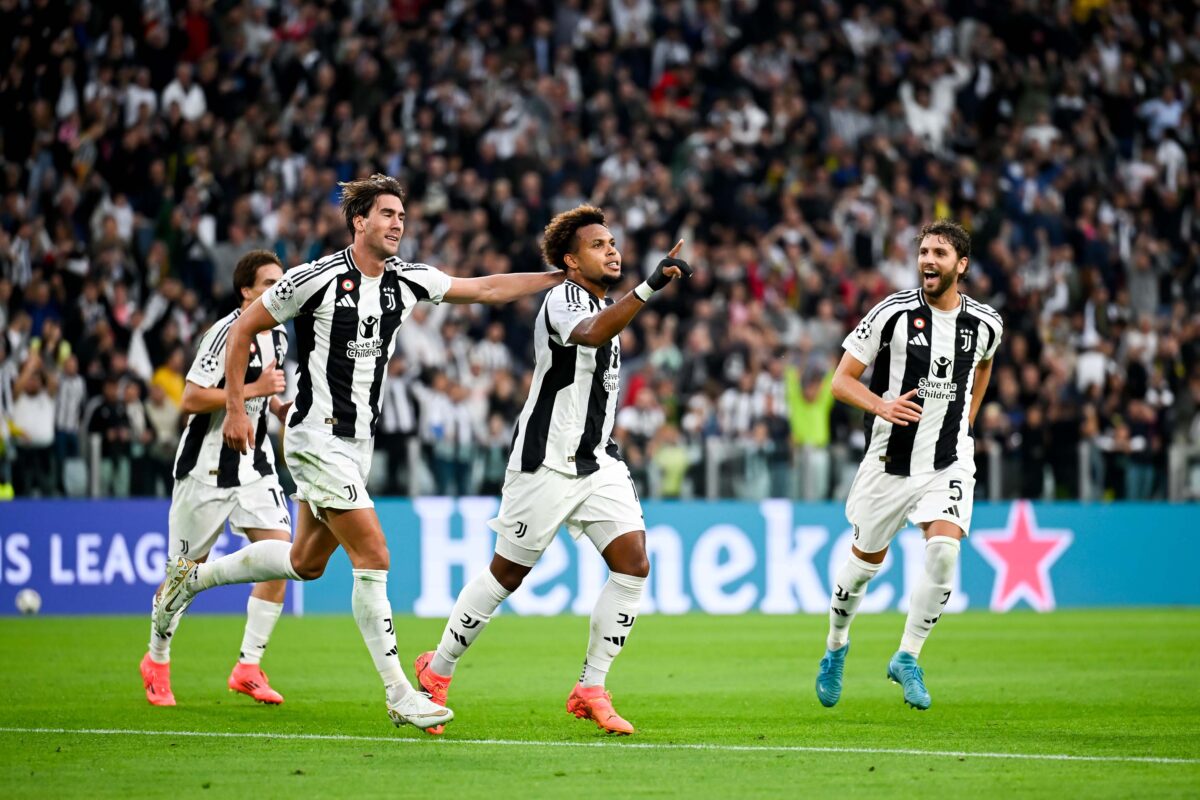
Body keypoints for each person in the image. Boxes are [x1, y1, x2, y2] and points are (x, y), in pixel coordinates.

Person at [152, 174, 566, 731]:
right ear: (359, 221)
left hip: (357, 444)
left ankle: (192, 579)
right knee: (373, 554)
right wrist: (232, 405)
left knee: (305, 563)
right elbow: (245, 326)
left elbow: (485, 288)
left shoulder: (406, 280)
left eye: (402, 215)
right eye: (388, 214)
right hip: (315, 437)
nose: (399, 223)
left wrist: (554, 276)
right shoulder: (315, 279)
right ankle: (400, 693)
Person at [413, 204, 692, 736]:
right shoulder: (564, 299)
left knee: (633, 562)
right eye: (598, 245)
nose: (611, 250)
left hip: (597, 461)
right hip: (544, 461)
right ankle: (437, 669)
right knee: (508, 574)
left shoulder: (609, 304)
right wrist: (650, 288)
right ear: (570, 259)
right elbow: (589, 333)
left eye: (613, 243)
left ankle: (591, 686)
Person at [815, 220, 1002, 710]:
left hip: (949, 460)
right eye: (923, 252)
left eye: (939, 253)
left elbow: (983, 367)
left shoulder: (985, 324)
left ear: (961, 265)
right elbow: (841, 381)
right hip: (889, 462)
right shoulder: (891, 314)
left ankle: (907, 657)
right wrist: (882, 406)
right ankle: (836, 646)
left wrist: (966, 423)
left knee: (943, 552)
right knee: (860, 571)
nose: (927, 261)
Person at [140, 249, 293, 707]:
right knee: (182, 575)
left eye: (281, 283)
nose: (278, 292)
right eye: (269, 284)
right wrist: (254, 390)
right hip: (205, 470)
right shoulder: (225, 333)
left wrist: (281, 407)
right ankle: (157, 659)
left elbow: (267, 398)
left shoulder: (279, 334)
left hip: (255, 466)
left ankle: (248, 665)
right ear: (245, 290)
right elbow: (189, 399)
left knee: (281, 556)